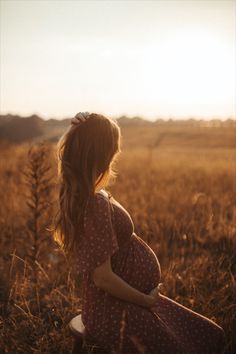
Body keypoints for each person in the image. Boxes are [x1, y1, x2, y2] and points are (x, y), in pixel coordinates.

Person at [53, 112, 225, 354]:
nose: (116, 152)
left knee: (209, 334)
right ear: (103, 153)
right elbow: (102, 278)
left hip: (118, 302)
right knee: (193, 345)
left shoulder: (91, 196)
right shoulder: (95, 204)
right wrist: (145, 300)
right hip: (112, 310)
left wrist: (79, 132)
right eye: (113, 146)